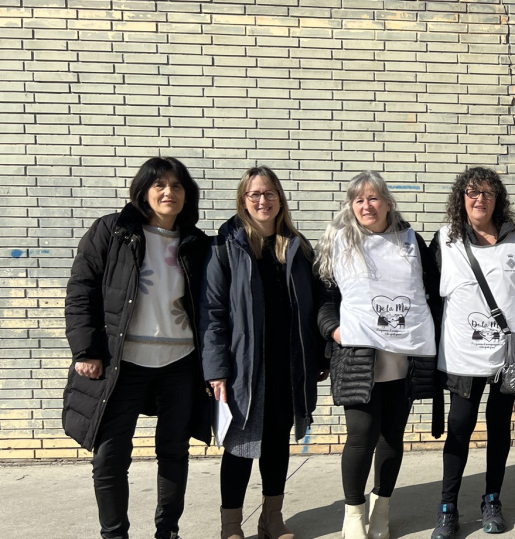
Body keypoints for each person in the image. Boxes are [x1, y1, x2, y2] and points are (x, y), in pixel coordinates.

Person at [62, 156, 212, 539]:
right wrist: (86, 350)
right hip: (121, 362)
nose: (168, 192)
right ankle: (114, 534)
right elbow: (81, 291)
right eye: (160, 184)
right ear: (143, 190)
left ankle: (168, 531)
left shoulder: (195, 242)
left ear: (187, 194)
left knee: (174, 451)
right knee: (110, 457)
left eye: (177, 186)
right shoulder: (112, 231)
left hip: (180, 361)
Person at [314, 171, 444, 539]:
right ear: (350, 206)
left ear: (388, 202)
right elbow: (324, 298)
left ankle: (381, 508)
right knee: (360, 436)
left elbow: (431, 292)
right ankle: (354, 515)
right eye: (358, 200)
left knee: (391, 437)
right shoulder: (337, 242)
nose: (366, 206)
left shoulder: (410, 241)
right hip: (358, 358)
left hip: (403, 361)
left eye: (373, 198)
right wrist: (333, 329)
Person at [200, 166, 327, 539]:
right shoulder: (225, 246)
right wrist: (216, 368)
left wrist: (317, 358)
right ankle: (231, 526)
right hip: (243, 368)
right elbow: (213, 312)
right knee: (239, 447)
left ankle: (271, 518)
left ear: (279, 199)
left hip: (287, 365)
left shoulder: (298, 247)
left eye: (269, 193)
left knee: (276, 444)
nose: (262, 200)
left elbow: (315, 305)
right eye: (254, 194)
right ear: (243, 200)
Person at [428, 167, 515, 538]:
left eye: (488, 193)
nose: (480, 200)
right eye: (472, 193)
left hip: (509, 358)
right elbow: (425, 294)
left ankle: (492, 499)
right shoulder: (444, 240)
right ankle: (447, 507)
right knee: (459, 428)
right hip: (463, 356)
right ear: (461, 198)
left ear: (499, 199)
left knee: (499, 428)